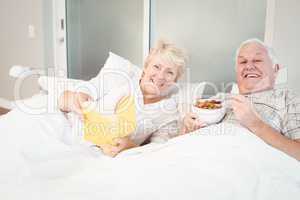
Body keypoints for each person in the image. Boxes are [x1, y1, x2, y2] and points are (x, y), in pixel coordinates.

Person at [58, 40, 187, 157]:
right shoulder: (121, 79)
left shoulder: (168, 114)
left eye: (169, 72)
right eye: (156, 67)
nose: (160, 76)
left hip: (104, 157)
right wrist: (76, 103)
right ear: (146, 67)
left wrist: (130, 146)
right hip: (69, 136)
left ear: (175, 81)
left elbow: (157, 150)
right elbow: (68, 98)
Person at [182, 38, 300, 161]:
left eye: (257, 60)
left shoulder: (288, 100)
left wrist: (257, 125)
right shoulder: (218, 99)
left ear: (275, 70)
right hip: (199, 156)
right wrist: (187, 129)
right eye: (243, 62)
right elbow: (183, 142)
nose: (249, 66)